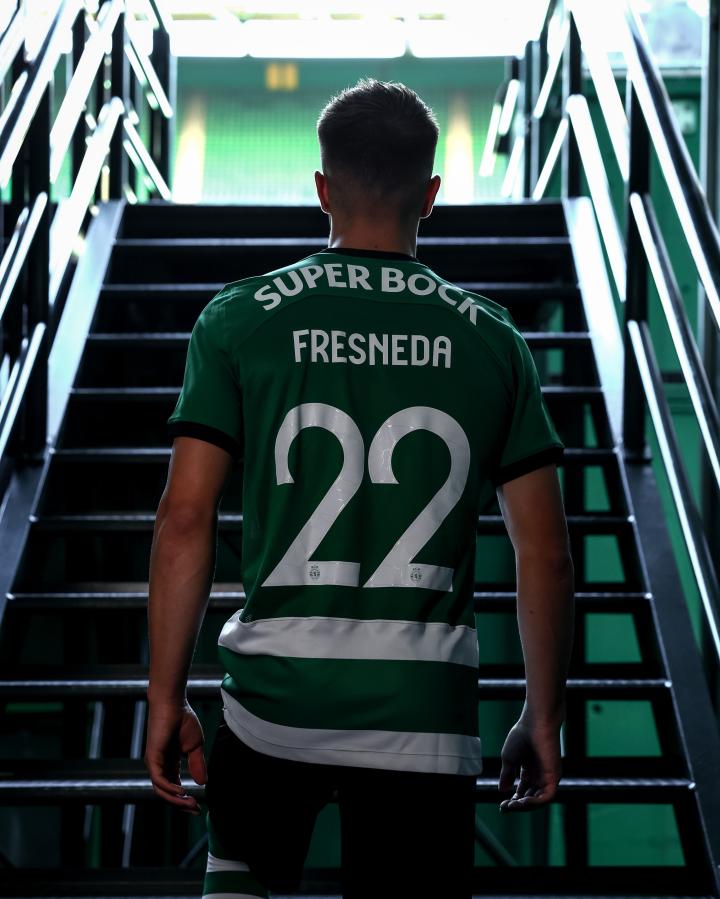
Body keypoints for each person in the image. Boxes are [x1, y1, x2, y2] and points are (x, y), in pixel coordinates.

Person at [144, 78, 575, 899]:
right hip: (425, 714)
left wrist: (165, 695)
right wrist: (542, 713)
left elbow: (184, 518)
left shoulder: (238, 318)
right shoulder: (493, 339)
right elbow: (546, 554)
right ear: (432, 196)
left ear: (322, 189)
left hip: (272, 705)